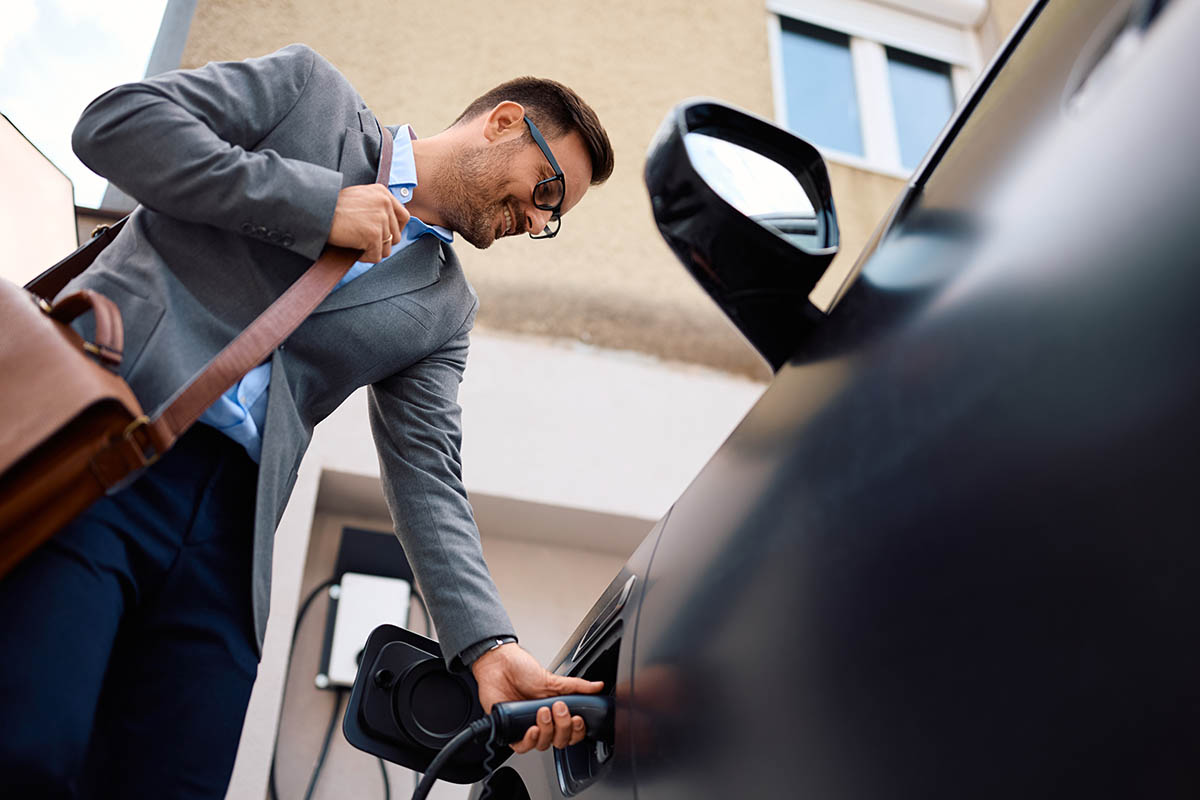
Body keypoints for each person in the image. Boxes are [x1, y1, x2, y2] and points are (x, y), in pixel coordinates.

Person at [0, 44, 615, 798]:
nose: (537, 219)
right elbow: (115, 125)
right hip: (106, 448)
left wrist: (488, 646)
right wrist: (316, 205)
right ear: (505, 123)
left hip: (230, 537)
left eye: (552, 219)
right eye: (547, 190)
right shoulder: (308, 96)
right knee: (28, 744)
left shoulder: (445, 307)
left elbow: (428, 477)